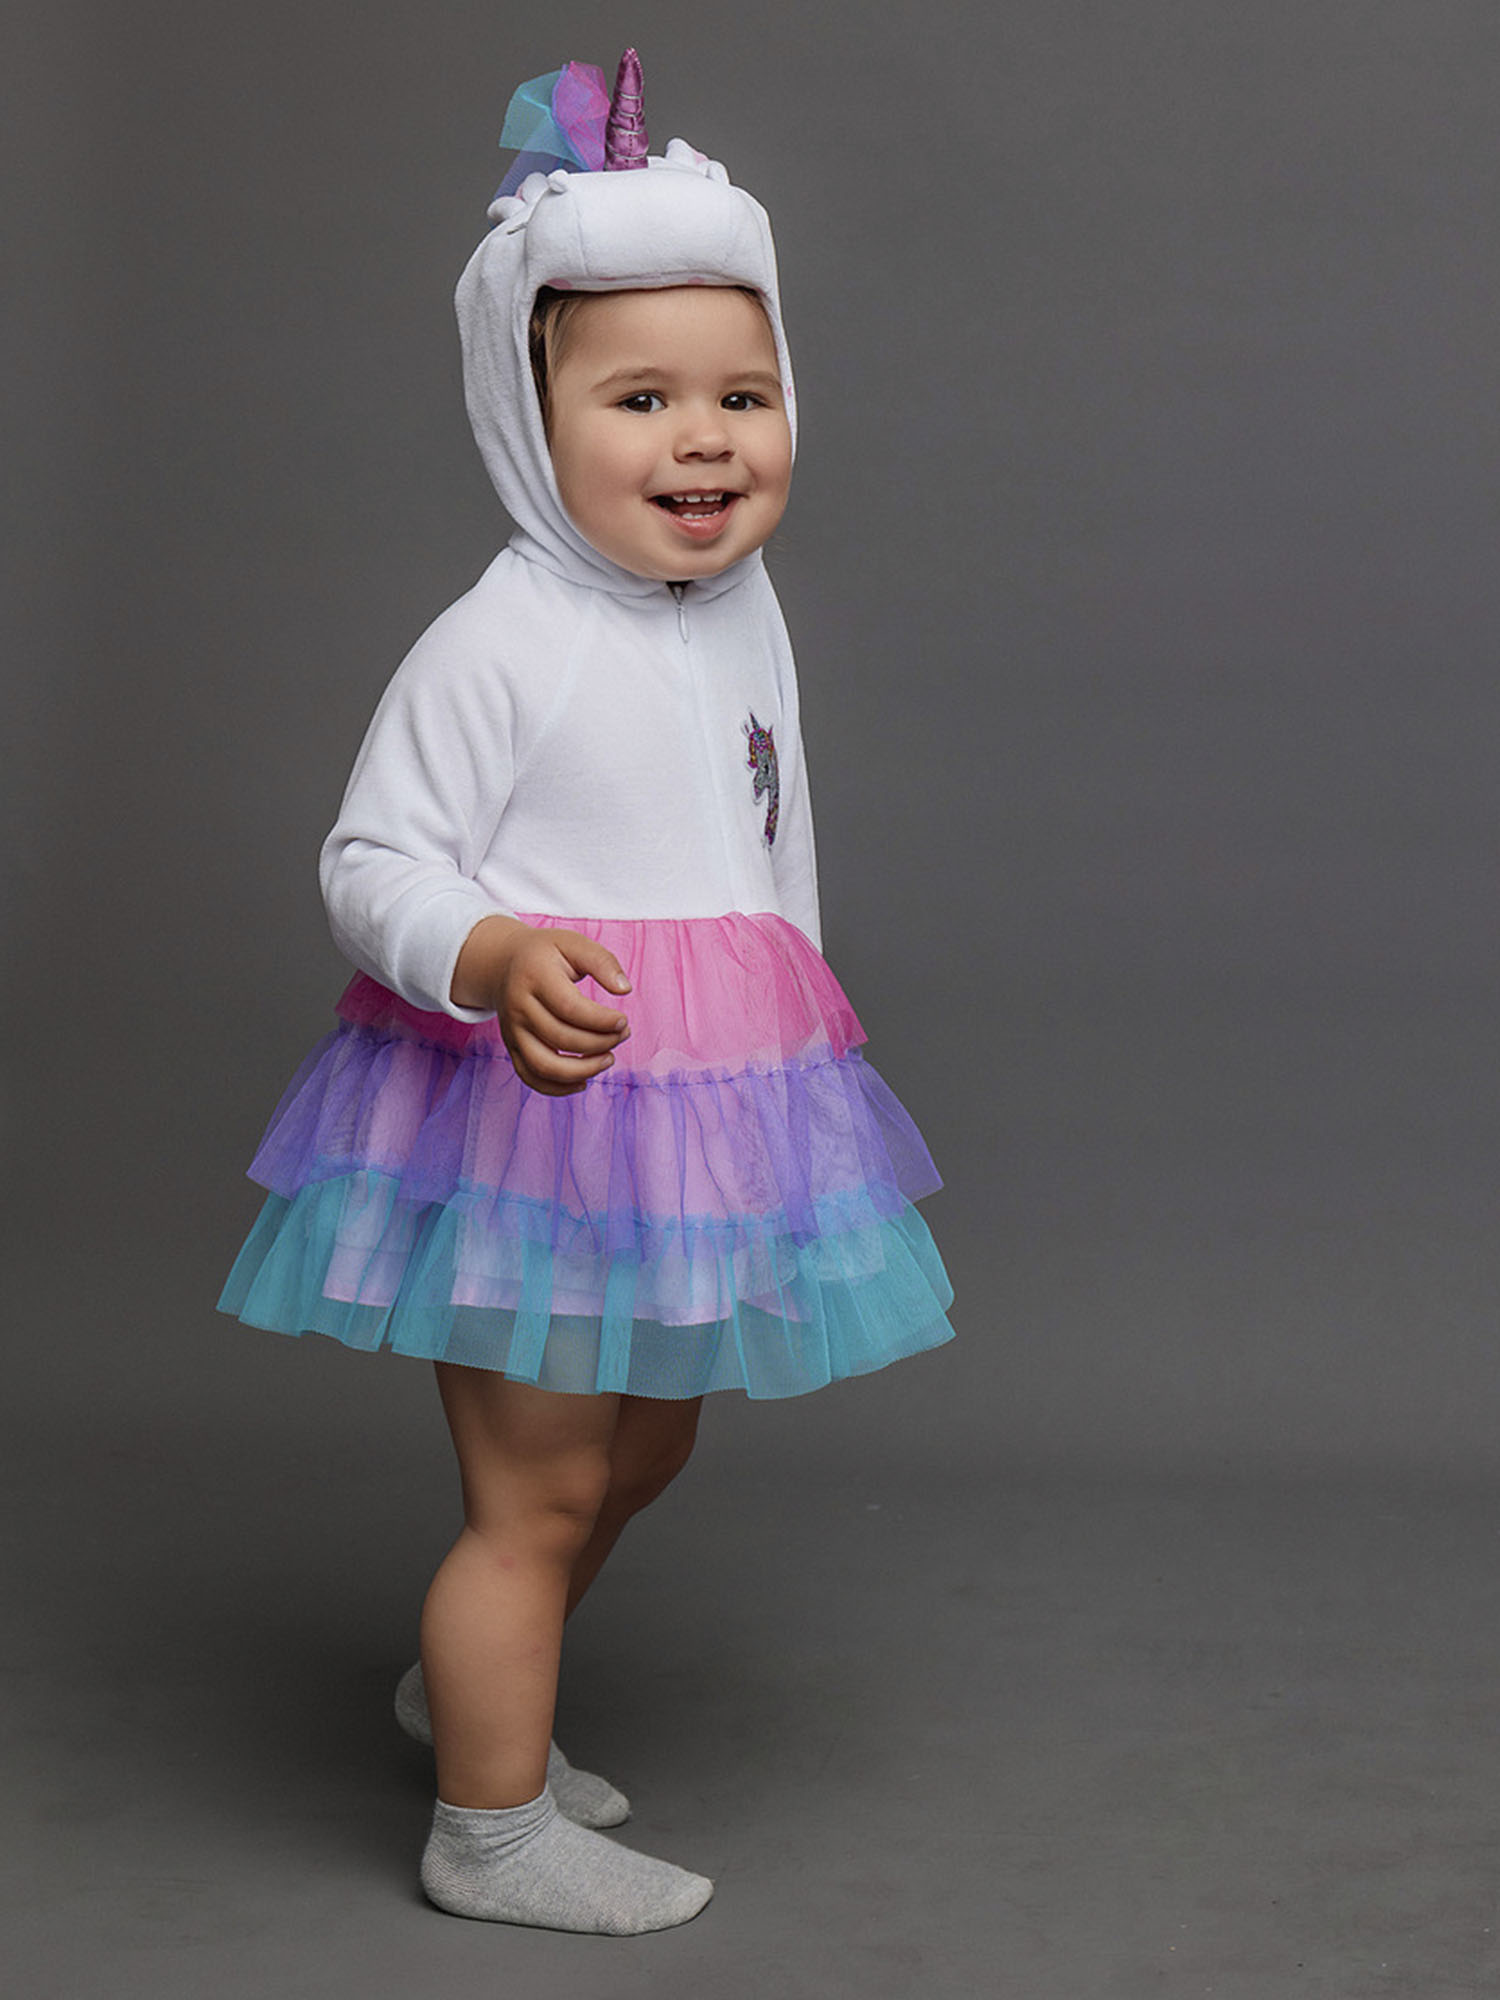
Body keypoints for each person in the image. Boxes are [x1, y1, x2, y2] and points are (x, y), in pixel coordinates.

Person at [219, 50, 955, 1936]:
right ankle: (489, 1824)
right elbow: (371, 860)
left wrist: (802, 1026)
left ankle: (485, 1676)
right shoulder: (505, 640)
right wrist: (489, 957)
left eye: (743, 396)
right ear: (524, 419)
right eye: (640, 400)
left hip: (698, 1107)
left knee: (652, 1437)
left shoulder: (742, 609)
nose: (705, 440)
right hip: (533, 1116)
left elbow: (768, 831)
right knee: (534, 1494)